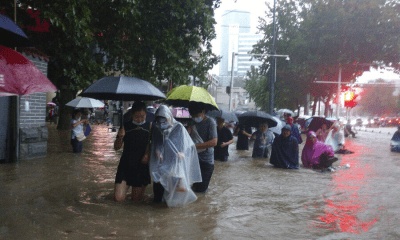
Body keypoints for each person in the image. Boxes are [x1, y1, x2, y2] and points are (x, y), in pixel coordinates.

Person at [149, 105, 202, 207]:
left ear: (169, 118)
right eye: (158, 122)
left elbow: (185, 144)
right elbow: (156, 143)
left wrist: (181, 153)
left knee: (173, 191)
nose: (161, 125)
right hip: (161, 163)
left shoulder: (179, 128)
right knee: (158, 193)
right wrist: (157, 151)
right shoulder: (156, 128)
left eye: (163, 122)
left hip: (174, 162)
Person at [113, 101, 152, 203]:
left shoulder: (150, 127)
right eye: (136, 117)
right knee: (118, 199)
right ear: (131, 115)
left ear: (146, 115)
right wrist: (120, 138)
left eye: (142, 117)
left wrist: (148, 154)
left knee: (135, 202)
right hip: (125, 165)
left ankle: (142, 195)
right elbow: (116, 148)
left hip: (141, 166)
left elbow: (154, 145)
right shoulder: (125, 126)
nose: (139, 120)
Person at [188, 102, 218, 193]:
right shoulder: (192, 122)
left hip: (206, 162)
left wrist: (195, 147)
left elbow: (214, 142)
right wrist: (188, 132)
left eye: (196, 115)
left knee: (201, 191)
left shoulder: (210, 122)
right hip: (194, 161)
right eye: (192, 116)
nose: (194, 118)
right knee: (194, 188)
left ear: (203, 112)